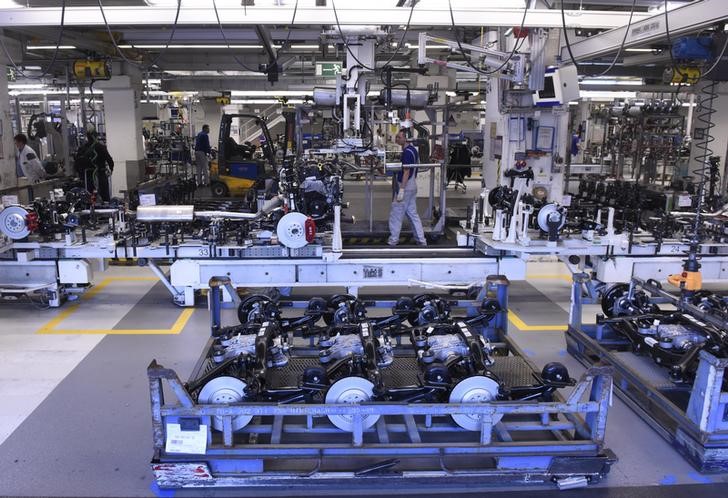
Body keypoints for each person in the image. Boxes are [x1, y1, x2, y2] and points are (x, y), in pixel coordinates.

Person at [388, 128, 427, 247]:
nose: (396, 139)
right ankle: (421, 240)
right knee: (412, 214)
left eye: (399, 137)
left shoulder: (407, 152)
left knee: (396, 214)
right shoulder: (413, 150)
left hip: (405, 187)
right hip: (412, 186)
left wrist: (401, 190)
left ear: (406, 138)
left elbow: (406, 171)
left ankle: (393, 240)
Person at [75, 130, 114, 202]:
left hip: (87, 178)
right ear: (96, 136)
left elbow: (77, 163)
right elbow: (109, 160)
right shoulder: (101, 147)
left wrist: (80, 175)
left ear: (87, 137)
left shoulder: (82, 149)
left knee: (89, 198)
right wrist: (111, 170)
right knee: (105, 197)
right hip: (100, 175)